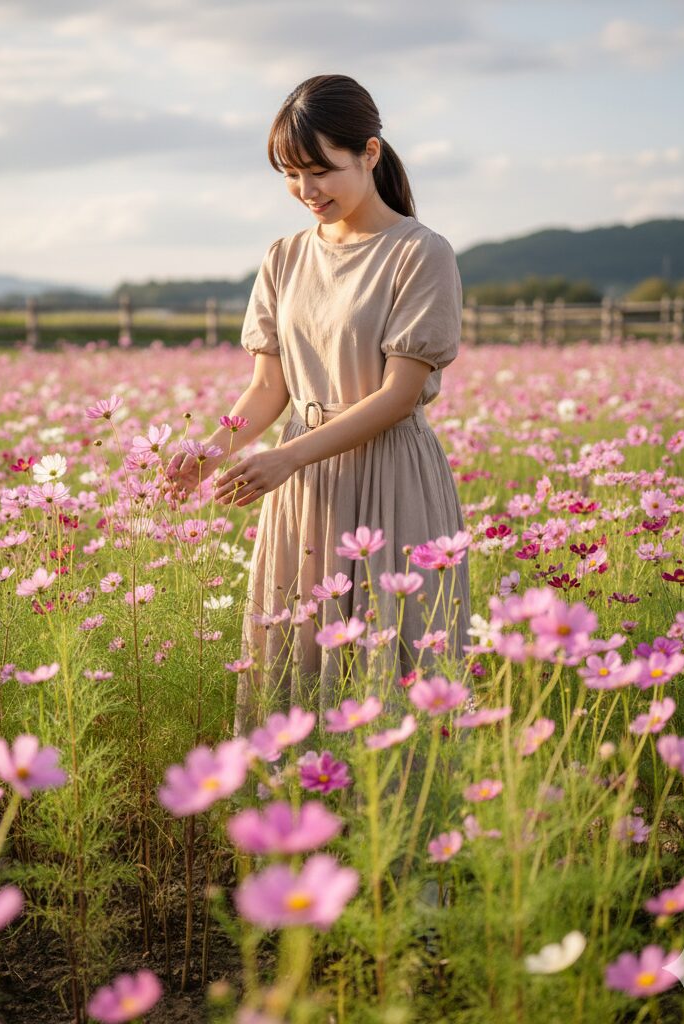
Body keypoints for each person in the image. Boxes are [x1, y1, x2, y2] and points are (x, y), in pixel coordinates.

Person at [165, 74, 470, 734]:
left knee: (393, 660)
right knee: (294, 662)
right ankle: (293, 820)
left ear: (370, 153)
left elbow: (397, 396)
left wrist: (287, 458)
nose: (307, 191)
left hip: (388, 479)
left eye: (320, 171)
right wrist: (209, 449)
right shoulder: (284, 257)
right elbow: (267, 389)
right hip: (302, 491)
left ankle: (397, 828)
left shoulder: (421, 254)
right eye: (291, 175)